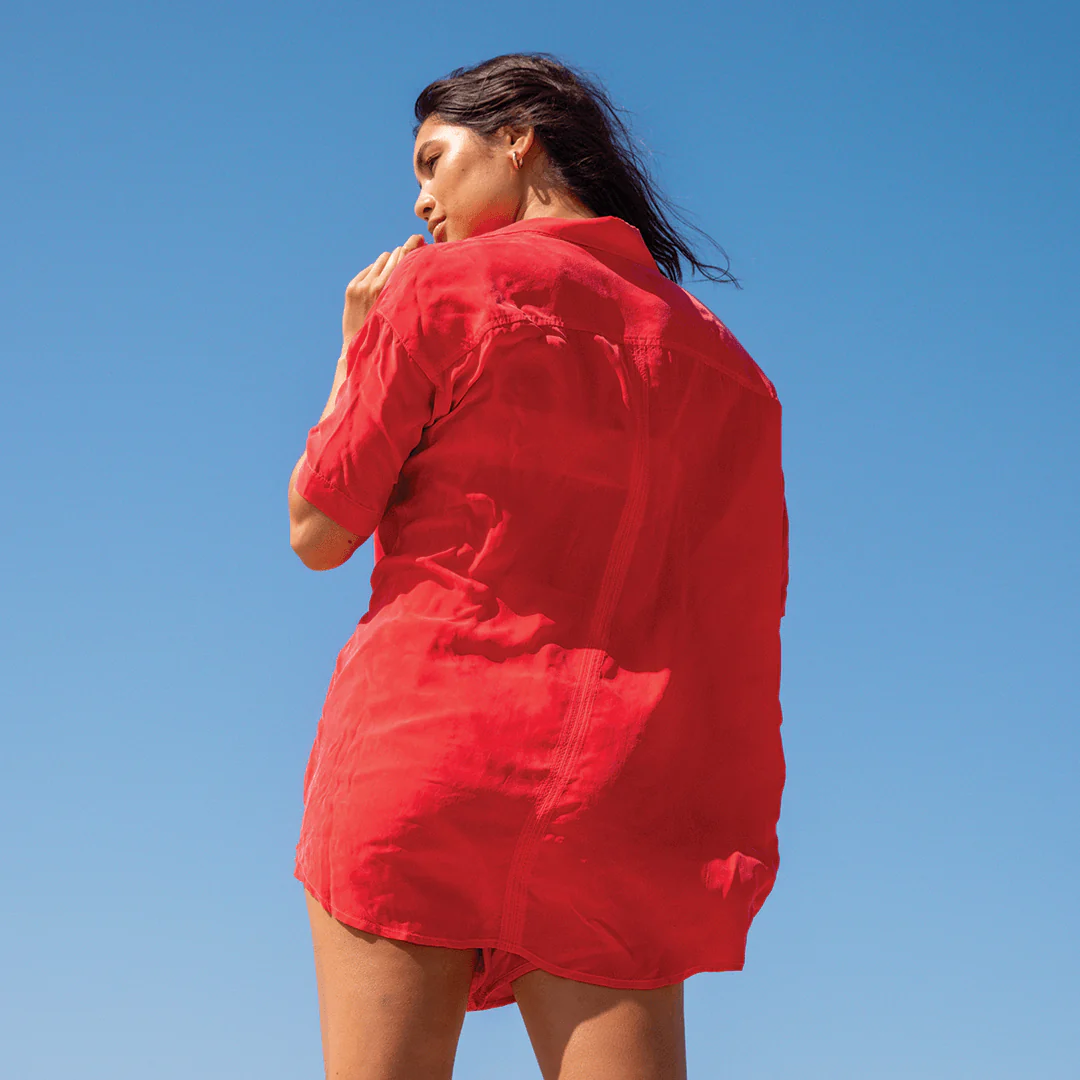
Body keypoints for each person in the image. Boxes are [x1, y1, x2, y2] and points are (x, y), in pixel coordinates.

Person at [287, 51, 789, 1080]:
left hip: (423, 748)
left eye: (434, 161)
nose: (421, 200)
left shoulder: (438, 288)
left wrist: (354, 349)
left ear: (518, 140)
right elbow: (739, 618)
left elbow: (319, 528)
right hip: (625, 788)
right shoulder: (733, 372)